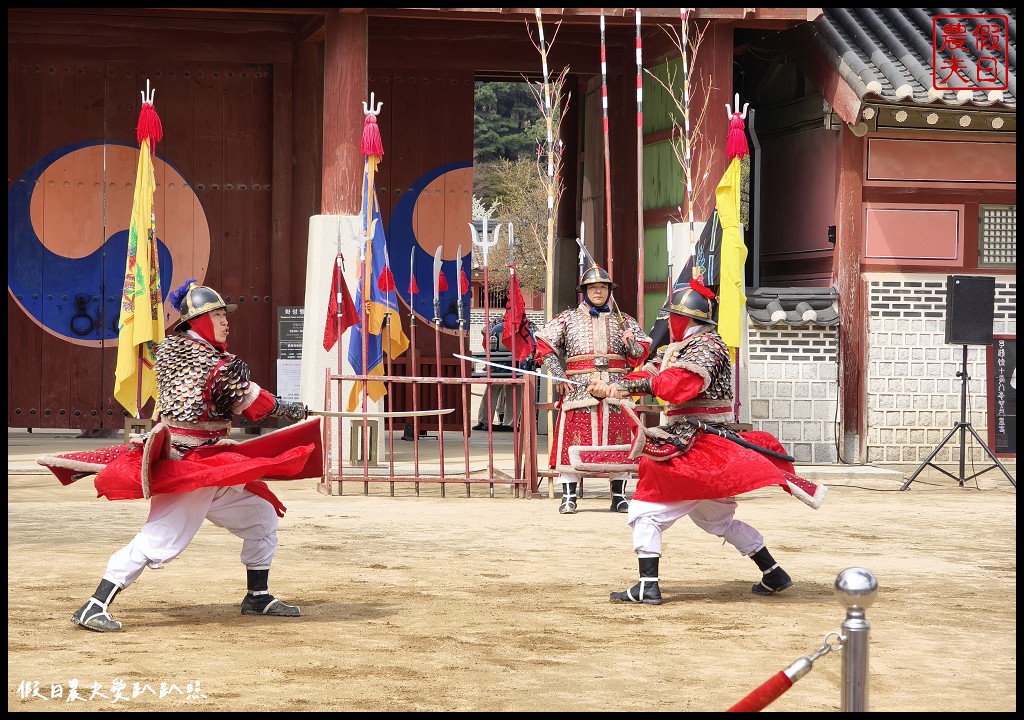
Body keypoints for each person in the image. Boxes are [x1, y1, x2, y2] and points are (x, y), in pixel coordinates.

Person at [38, 280, 323, 632]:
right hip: (192, 468)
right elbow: (252, 405)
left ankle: (258, 596)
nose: (225, 321)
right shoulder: (217, 365)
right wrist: (290, 408)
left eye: (224, 314)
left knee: (261, 518)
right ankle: (94, 605)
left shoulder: (173, 351)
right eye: (216, 315)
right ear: (197, 323)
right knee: (161, 539)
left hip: (210, 463)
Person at [589, 279, 826, 605]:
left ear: (686, 318)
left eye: (674, 315)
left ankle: (647, 585)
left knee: (646, 508)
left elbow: (676, 385)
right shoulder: (677, 348)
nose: (670, 321)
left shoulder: (709, 346)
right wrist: (609, 384)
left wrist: (629, 389)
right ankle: (773, 573)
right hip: (694, 441)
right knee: (716, 519)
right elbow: (648, 373)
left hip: (698, 443)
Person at [534, 262, 652, 514]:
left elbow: (640, 354)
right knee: (573, 440)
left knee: (618, 442)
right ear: (584, 291)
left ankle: (618, 495)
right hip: (580, 388)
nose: (597, 292)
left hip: (615, 387)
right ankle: (569, 496)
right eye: (592, 288)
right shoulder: (568, 318)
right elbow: (544, 345)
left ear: (609, 290)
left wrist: (629, 341)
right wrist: (558, 375)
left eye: (602, 287)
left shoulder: (625, 320)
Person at [474, 315, 509, 431]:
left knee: (498, 392)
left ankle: (486, 420)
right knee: (497, 392)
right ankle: (506, 422)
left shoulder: (496, 326)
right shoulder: (494, 327)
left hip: (502, 364)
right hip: (501, 364)